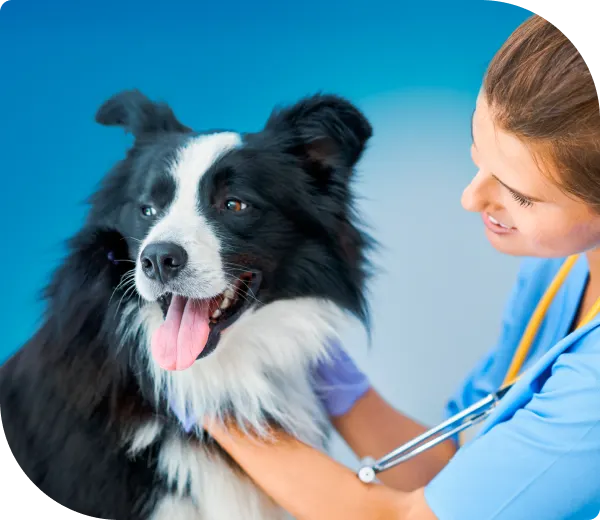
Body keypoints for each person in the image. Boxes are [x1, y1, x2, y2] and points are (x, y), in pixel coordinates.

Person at [200, 14, 600, 519]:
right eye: (479, 158)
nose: (470, 198)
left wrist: (214, 408)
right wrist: (326, 373)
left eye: (519, 195)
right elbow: (459, 473)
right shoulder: (560, 269)